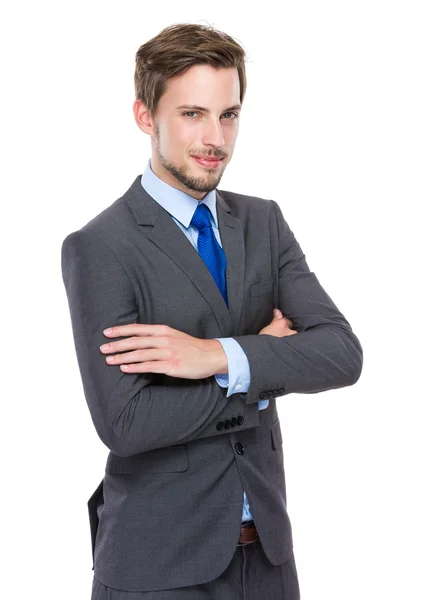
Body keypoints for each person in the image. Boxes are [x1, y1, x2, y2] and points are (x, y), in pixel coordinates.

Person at [61, 22, 363, 600]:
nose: (215, 138)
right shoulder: (101, 246)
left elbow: (341, 354)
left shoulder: (264, 222)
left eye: (229, 115)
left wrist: (213, 356)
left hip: (268, 560)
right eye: (192, 114)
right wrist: (262, 368)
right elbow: (127, 423)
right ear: (146, 116)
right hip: (159, 565)